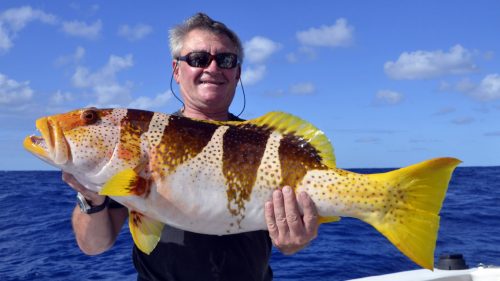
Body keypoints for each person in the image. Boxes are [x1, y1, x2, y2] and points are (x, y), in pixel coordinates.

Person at [64, 12, 320, 281]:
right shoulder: (142, 140)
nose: (212, 68)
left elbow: (291, 242)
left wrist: (295, 241)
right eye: (198, 59)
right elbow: (94, 245)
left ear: (237, 73)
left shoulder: (265, 144)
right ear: (176, 70)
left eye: (225, 60)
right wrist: (91, 199)